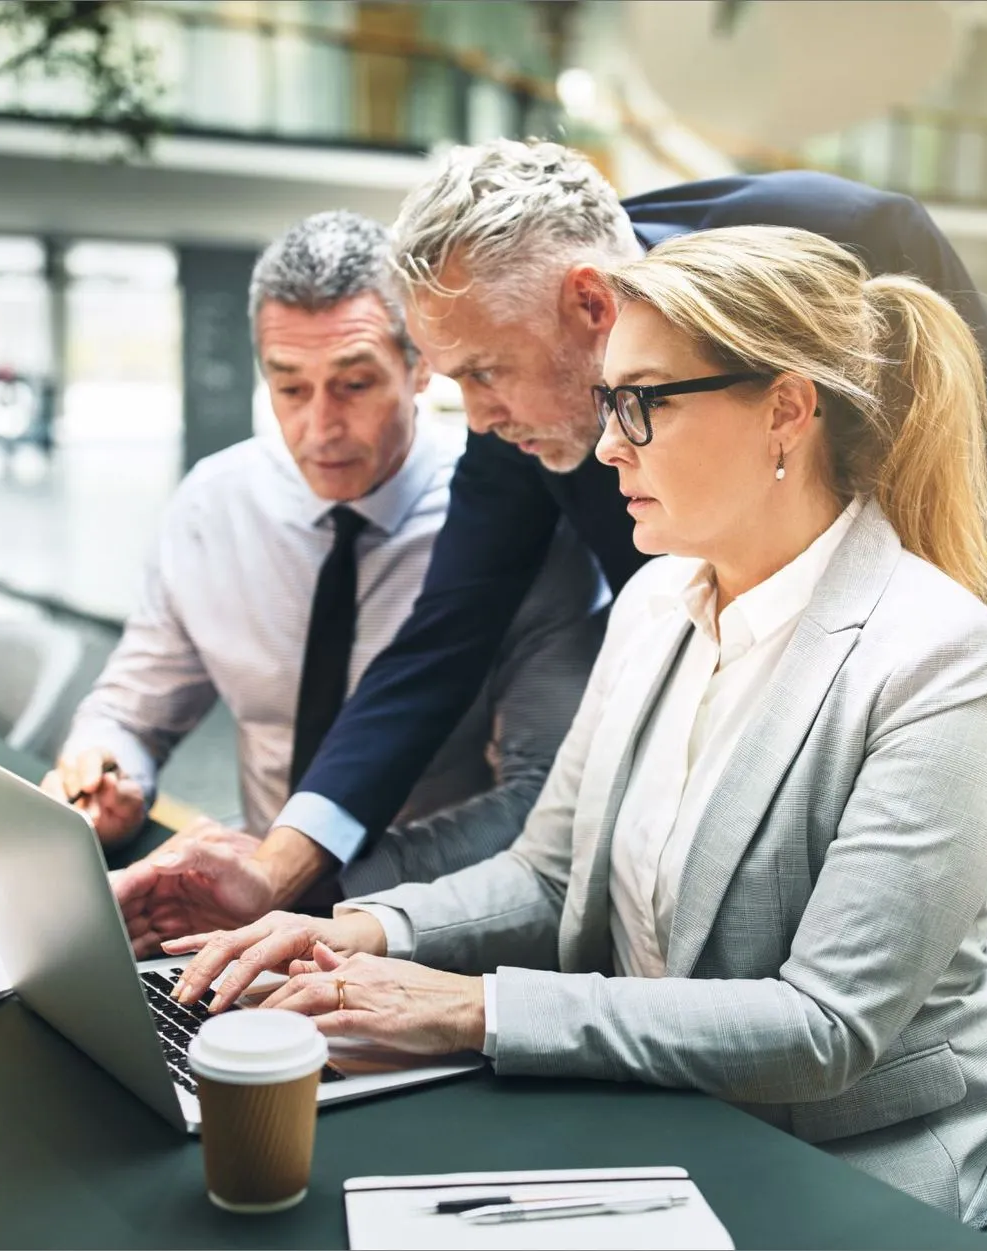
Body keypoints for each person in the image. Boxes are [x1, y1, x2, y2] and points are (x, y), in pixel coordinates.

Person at [169, 226, 987, 1220]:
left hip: (858, 1165)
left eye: (640, 405)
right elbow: (548, 875)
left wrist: (472, 1009)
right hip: (661, 1117)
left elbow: (822, 1029)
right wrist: (353, 934)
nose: (604, 446)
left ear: (785, 412)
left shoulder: (938, 658)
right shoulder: (652, 603)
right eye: (603, 403)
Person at [144, 141, 987, 930]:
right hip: (766, 636)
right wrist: (280, 865)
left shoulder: (842, 239)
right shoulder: (521, 396)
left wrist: (969, 771)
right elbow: (443, 636)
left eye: (486, 372)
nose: (476, 417)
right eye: (455, 382)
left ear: (588, 303)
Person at [41, 210, 603, 954]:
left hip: (433, 930)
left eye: (355, 383)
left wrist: (318, 882)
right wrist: (108, 771)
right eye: (290, 388)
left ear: (421, 364)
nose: (320, 427)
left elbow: (542, 800)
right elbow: (134, 709)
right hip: (234, 923)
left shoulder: (520, 522)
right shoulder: (216, 506)